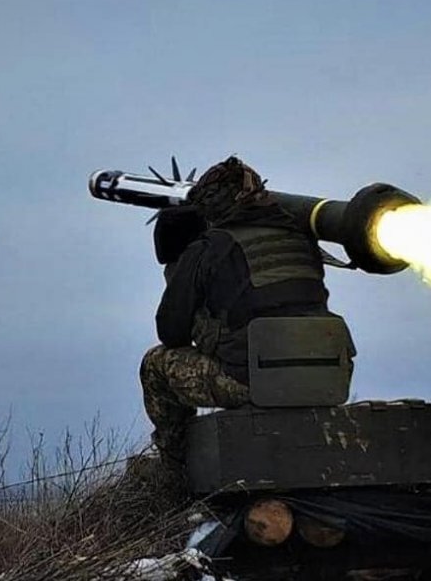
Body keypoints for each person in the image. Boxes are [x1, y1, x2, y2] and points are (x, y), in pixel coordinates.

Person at [140, 156, 338, 463]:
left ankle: (175, 466)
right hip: (327, 378)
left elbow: (170, 330)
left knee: (154, 364)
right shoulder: (302, 239)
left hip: (251, 383)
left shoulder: (208, 248)